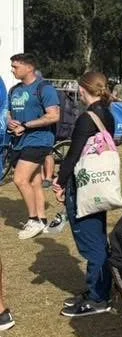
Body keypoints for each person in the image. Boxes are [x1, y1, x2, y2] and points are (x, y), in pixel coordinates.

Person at [52, 72, 116, 317]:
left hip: (84, 185)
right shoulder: (106, 114)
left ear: (83, 90)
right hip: (99, 184)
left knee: (91, 242)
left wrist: (60, 183)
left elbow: (73, 154)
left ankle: (99, 297)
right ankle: (95, 289)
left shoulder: (86, 117)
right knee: (97, 236)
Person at [8, 53, 61, 239]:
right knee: (35, 181)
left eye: (16, 66)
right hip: (19, 142)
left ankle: (33, 220)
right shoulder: (14, 90)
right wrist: (11, 123)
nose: (12, 70)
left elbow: (54, 115)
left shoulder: (44, 88)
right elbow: (9, 113)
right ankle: (43, 221)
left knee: (20, 179)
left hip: (39, 140)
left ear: (29, 67)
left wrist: (26, 125)